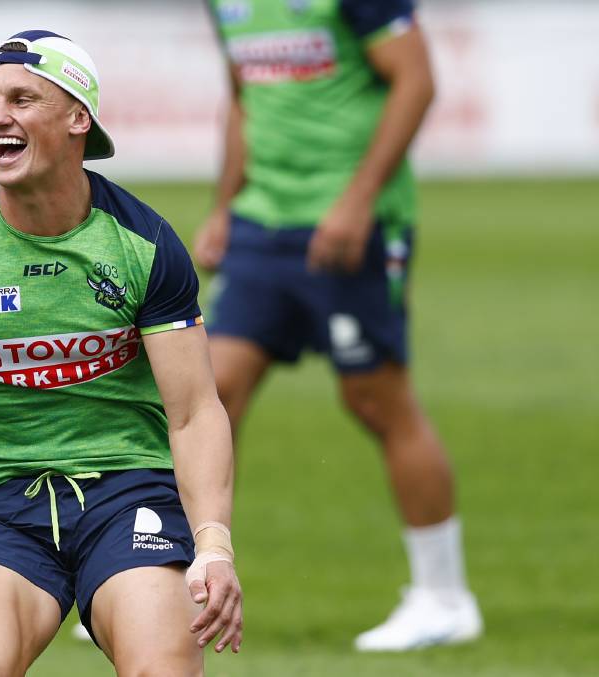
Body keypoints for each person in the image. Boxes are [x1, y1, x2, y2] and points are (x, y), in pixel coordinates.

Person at [0, 30, 243, 676]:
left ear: (79, 118)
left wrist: (214, 546)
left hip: (128, 494)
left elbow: (193, 411)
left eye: (22, 98)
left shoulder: (144, 243)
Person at [195, 0, 481, 651]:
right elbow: (242, 96)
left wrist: (357, 201)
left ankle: (444, 597)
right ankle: (169, 582)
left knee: (376, 399)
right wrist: (223, 207)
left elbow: (417, 80)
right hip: (261, 225)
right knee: (210, 394)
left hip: (352, 225)